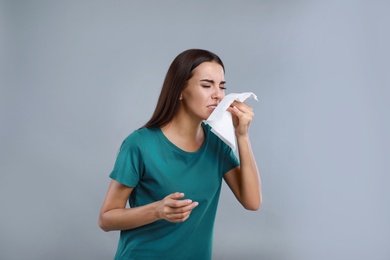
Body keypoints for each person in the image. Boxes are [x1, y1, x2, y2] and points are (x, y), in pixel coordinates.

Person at [98, 49, 262, 260]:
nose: (218, 95)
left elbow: (252, 202)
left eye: (222, 86)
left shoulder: (217, 144)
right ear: (180, 91)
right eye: (206, 85)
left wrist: (242, 136)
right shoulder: (139, 144)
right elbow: (106, 218)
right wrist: (157, 210)